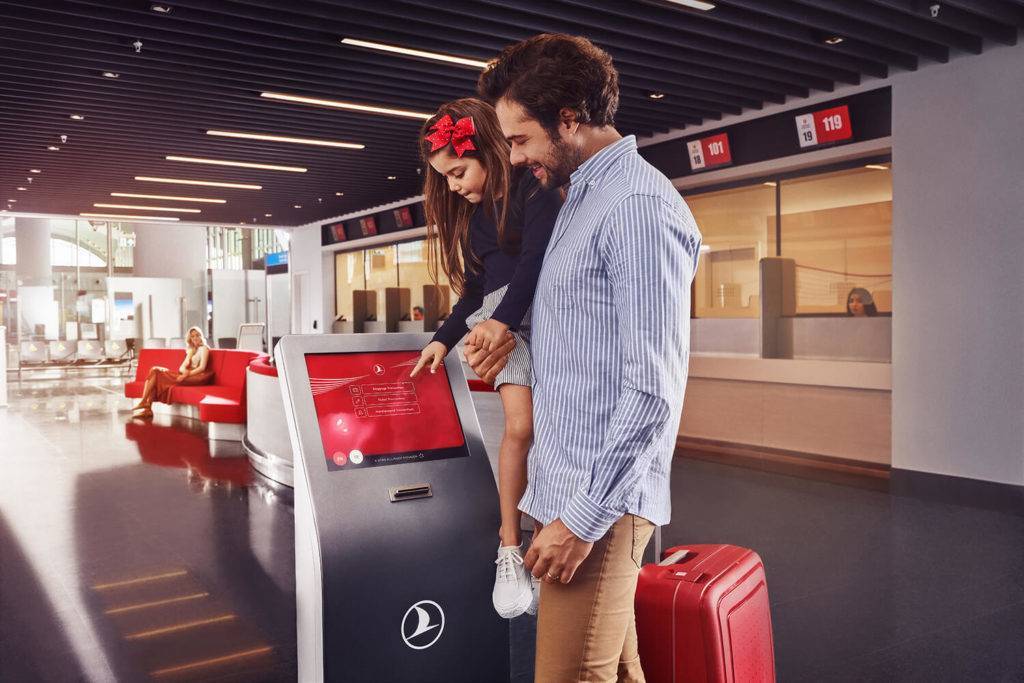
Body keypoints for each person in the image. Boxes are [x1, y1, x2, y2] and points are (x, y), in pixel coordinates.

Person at [470, 34, 702, 681]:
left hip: (598, 505)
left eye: (520, 140)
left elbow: (652, 389)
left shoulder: (637, 206)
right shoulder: (581, 198)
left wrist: (580, 518)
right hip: (565, 486)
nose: (514, 158)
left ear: (568, 118)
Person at [409, 98, 562, 620]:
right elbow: (477, 290)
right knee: (521, 429)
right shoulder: (476, 222)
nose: (453, 186)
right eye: (446, 177)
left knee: (558, 432)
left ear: (490, 151)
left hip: (547, 317)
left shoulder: (533, 192)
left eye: (458, 171)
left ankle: (547, 537)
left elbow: (537, 262)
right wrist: (443, 338)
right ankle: (509, 546)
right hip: (504, 321)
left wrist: (505, 322)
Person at [132, 326, 213, 418]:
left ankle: (144, 403)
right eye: (192, 336)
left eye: (197, 335)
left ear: (201, 336)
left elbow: (202, 367)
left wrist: (186, 375)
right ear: (190, 338)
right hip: (186, 375)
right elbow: (181, 367)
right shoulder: (191, 350)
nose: (195, 338)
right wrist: (185, 371)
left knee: (155, 371)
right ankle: (147, 409)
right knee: (154, 374)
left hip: (196, 378)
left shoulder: (204, 348)